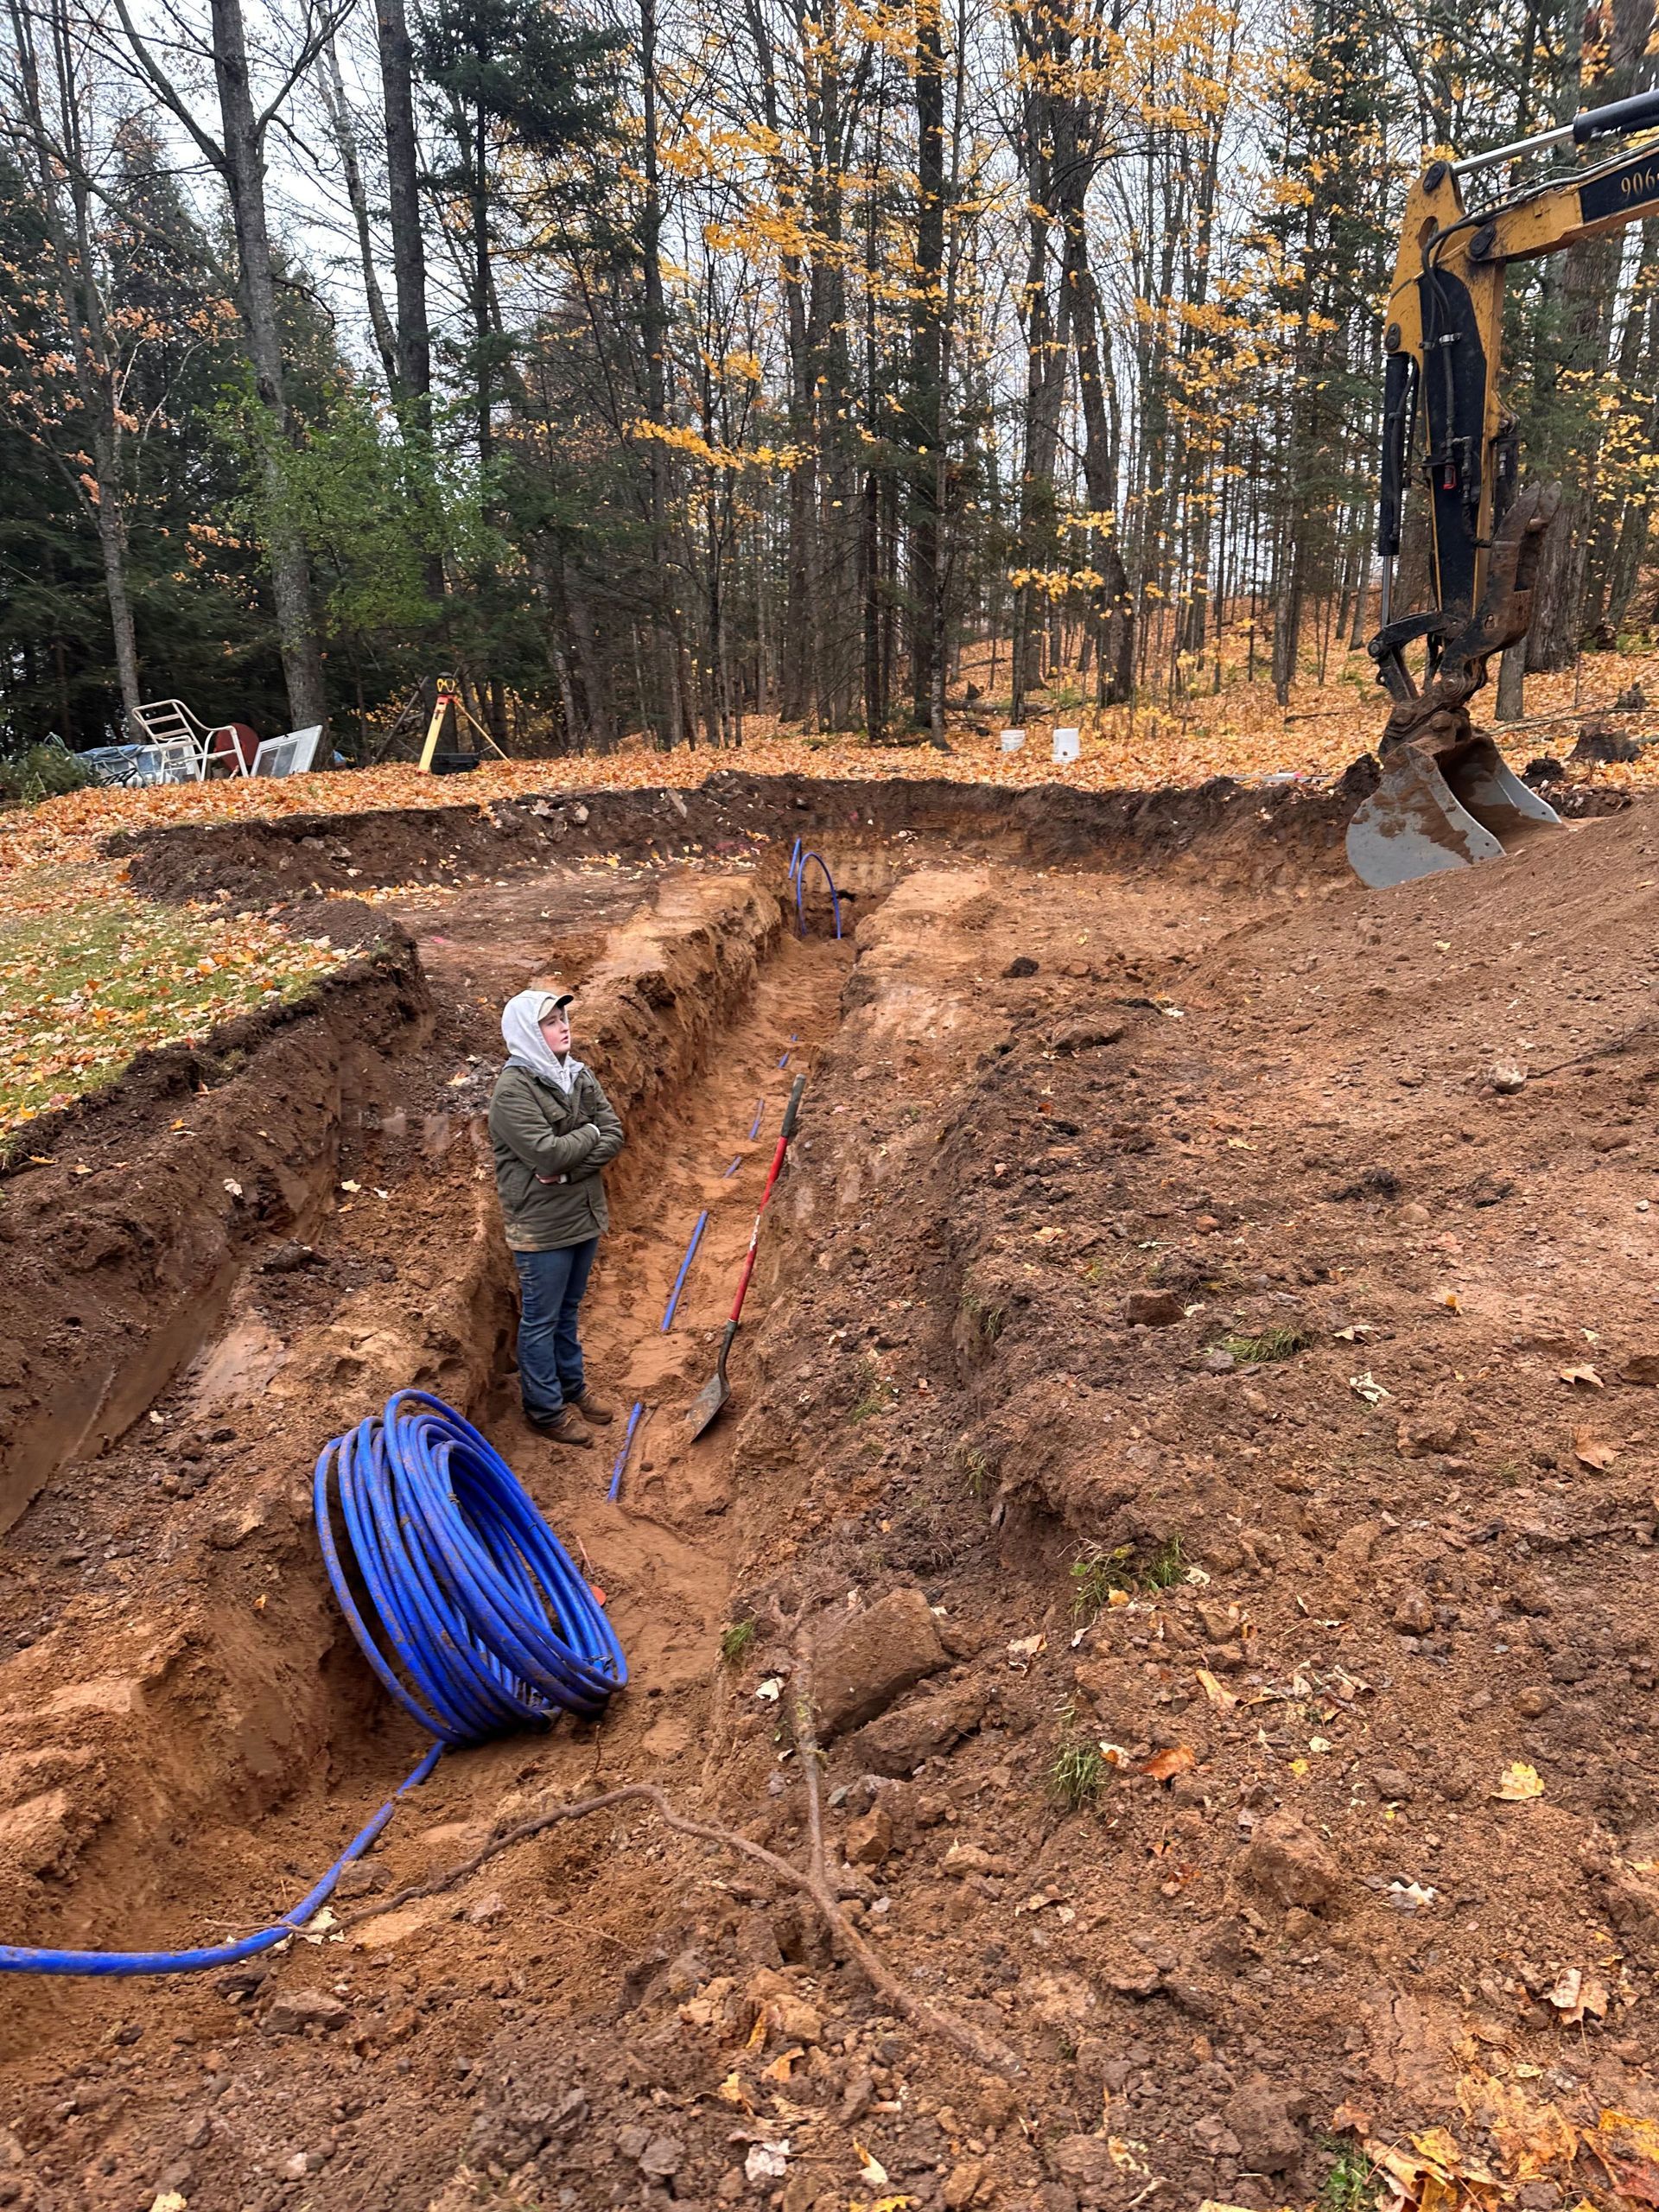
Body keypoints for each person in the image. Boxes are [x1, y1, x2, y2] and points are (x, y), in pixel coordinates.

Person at [488, 988, 626, 1446]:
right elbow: (546, 1155)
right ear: (529, 1032)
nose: (563, 1026)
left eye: (563, 1017)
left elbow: (615, 1134)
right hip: (541, 1225)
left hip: (582, 1211)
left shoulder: (576, 1075)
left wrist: (570, 1173)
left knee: (567, 1310)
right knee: (541, 1319)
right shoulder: (513, 1091)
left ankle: (572, 1387)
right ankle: (545, 1410)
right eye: (550, 1021)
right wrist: (588, 1134)